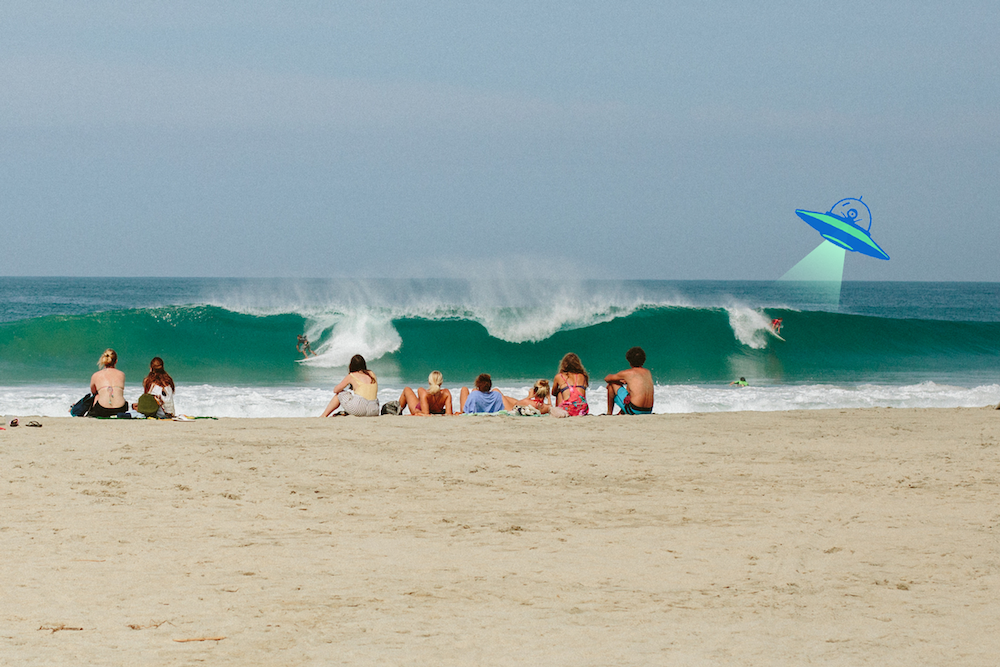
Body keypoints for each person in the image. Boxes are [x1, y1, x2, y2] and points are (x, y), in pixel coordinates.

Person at [605, 346, 654, 415]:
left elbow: (607, 378)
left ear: (629, 360)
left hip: (634, 410)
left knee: (611, 384)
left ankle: (609, 413)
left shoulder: (628, 373)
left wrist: (619, 381)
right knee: (631, 390)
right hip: (648, 410)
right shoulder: (648, 372)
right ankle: (620, 413)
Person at [88, 348, 129, 417]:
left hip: (102, 409)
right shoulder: (122, 374)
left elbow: (93, 392)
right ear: (116, 361)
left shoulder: (96, 375)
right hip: (120, 408)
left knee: (97, 395)